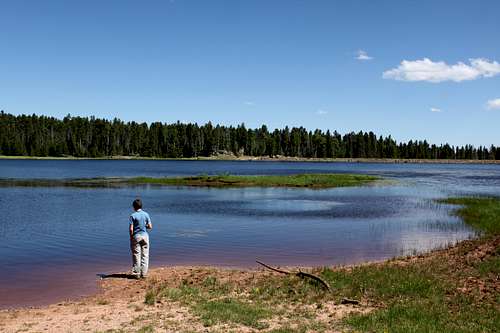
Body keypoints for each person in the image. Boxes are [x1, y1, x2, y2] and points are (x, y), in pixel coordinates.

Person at [129, 198, 152, 279]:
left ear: (134, 207)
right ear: (141, 206)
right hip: (145, 236)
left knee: (136, 255)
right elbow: (150, 226)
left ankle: (137, 274)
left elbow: (131, 229)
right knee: (145, 255)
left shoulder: (133, 215)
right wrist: (144, 226)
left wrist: (131, 237)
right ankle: (144, 274)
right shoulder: (146, 214)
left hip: (136, 236)